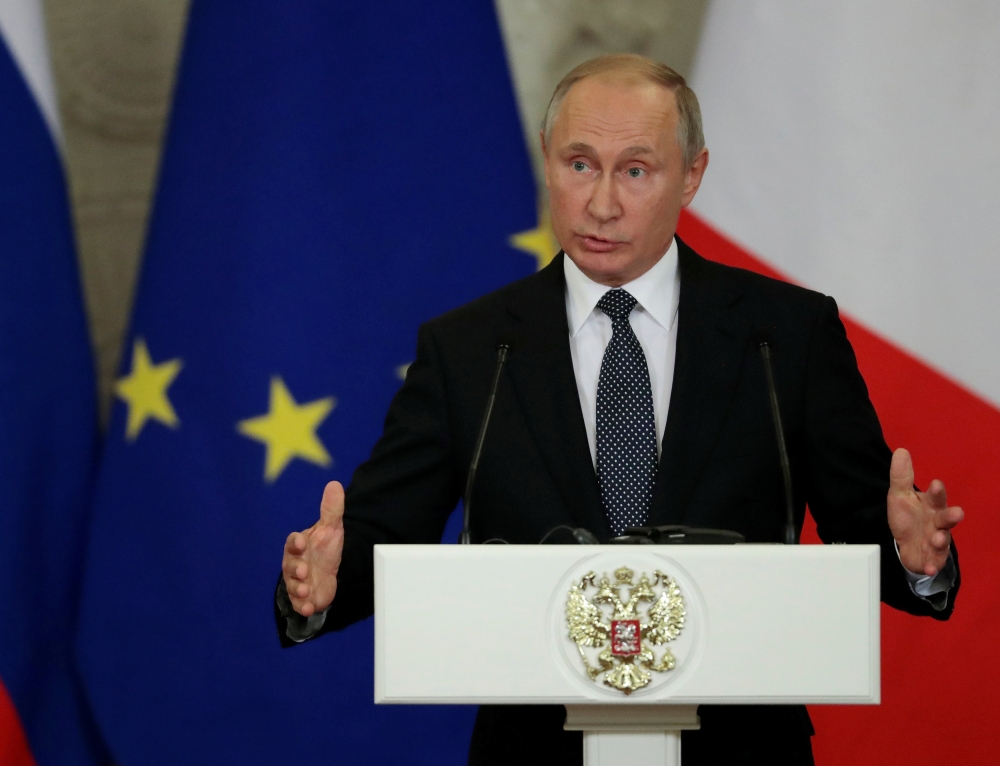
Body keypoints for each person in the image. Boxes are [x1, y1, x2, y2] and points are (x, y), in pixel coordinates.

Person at [276, 54, 963, 765]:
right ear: (548, 160)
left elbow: (864, 531)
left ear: (691, 175)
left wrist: (914, 558)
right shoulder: (472, 348)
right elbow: (390, 530)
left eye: (635, 171)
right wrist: (325, 580)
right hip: (536, 749)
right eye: (580, 164)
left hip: (740, 747)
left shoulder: (785, 335)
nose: (601, 203)